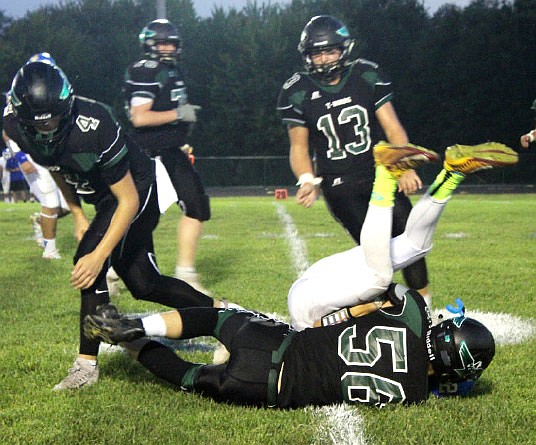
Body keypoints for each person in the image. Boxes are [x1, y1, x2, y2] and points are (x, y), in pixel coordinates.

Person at [83, 142, 517, 408]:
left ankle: (431, 175)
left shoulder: (417, 317)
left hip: (310, 305)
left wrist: (372, 307)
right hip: (310, 315)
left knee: (399, 257)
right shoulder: (417, 389)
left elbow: (389, 298)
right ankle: (137, 337)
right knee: (389, 263)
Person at [3, 61, 236, 390]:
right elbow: (52, 163)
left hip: (136, 191)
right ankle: (225, 313)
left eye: (55, 120)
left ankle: (86, 364)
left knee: (88, 261)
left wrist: (99, 254)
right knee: (145, 284)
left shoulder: (93, 124)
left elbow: (126, 201)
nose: (47, 130)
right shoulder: (14, 123)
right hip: (103, 200)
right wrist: (78, 215)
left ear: (66, 108)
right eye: (38, 124)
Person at [277, 15, 432, 308]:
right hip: (339, 185)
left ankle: (427, 311)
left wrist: (403, 165)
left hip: (380, 174)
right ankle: (386, 309)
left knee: (411, 242)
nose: (323, 59)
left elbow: (392, 126)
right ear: (307, 55)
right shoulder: (296, 90)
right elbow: (298, 146)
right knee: (376, 255)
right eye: (316, 52)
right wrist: (307, 179)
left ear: (343, 49)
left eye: (329, 51)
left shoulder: (366, 74)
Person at [123, 18, 210, 292]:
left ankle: (185, 273)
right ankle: (115, 270)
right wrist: (177, 114)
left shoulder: (171, 70)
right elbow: (140, 118)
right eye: (162, 43)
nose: (168, 48)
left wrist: (179, 138)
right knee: (140, 217)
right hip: (147, 154)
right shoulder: (146, 70)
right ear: (149, 45)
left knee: (196, 206)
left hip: (170, 151)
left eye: (172, 43)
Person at [1, 134, 70, 259]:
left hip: (51, 152)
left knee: (68, 206)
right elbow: (7, 130)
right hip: (31, 153)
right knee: (50, 202)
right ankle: (50, 251)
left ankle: (40, 221)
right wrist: (21, 158)